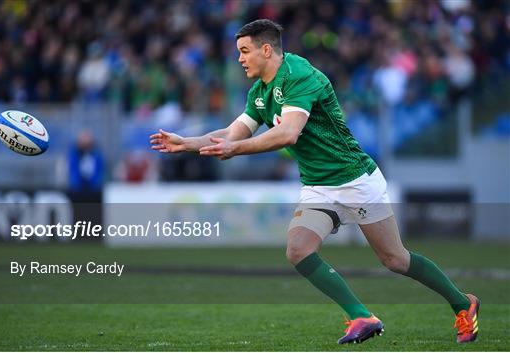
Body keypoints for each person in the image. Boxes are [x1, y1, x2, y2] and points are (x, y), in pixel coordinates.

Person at [149, 19, 479, 345]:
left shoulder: (298, 74)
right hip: (319, 186)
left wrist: (235, 149)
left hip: (355, 179)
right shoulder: (259, 92)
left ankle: (462, 303)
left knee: (395, 260)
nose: (240, 58)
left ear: (267, 49)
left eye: (245, 51)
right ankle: (361, 315)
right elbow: (232, 134)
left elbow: (287, 133)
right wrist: (188, 143)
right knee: (298, 250)